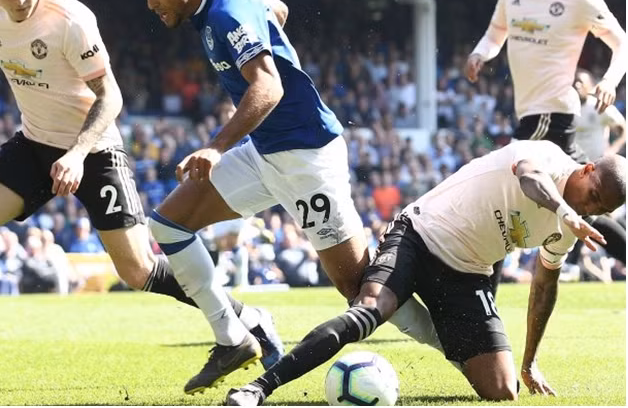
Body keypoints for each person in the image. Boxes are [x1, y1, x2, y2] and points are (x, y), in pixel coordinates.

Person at [133, 0, 442, 394]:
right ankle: (234, 337)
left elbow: (269, 87)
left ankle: (458, 345)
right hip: (265, 151)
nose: (150, 3)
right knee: (168, 226)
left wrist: (216, 147)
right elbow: (277, 9)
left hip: (306, 157)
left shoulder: (225, 11)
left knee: (360, 287)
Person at [0, 0, 282, 376]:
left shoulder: (70, 19)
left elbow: (111, 96)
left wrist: (77, 154)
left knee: (138, 271)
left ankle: (247, 318)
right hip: (35, 142)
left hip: (95, 150)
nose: (19, 0)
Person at [226, 141, 626, 405]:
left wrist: (529, 362)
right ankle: (258, 388)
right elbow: (529, 178)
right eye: (593, 196)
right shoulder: (549, 158)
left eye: (600, 209)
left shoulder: (572, 228)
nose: (590, 209)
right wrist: (566, 213)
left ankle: (422, 320)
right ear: (587, 169)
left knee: (503, 389)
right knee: (369, 310)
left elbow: (543, 288)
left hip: (466, 273)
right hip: (419, 235)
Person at [463, 0, 627, 288]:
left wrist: (609, 81)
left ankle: (484, 298)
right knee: (587, 204)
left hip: (551, 113)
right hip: (533, 113)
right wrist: (480, 54)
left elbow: (622, 43)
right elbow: (496, 33)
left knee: (504, 192)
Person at [574, 69, 626, 161]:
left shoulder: (600, 106)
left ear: (590, 85)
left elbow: (624, 129)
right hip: (575, 163)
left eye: (581, 82)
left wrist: (613, 149)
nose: (577, 85)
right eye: (575, 82)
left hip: (598, 162)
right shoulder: (567, 109)